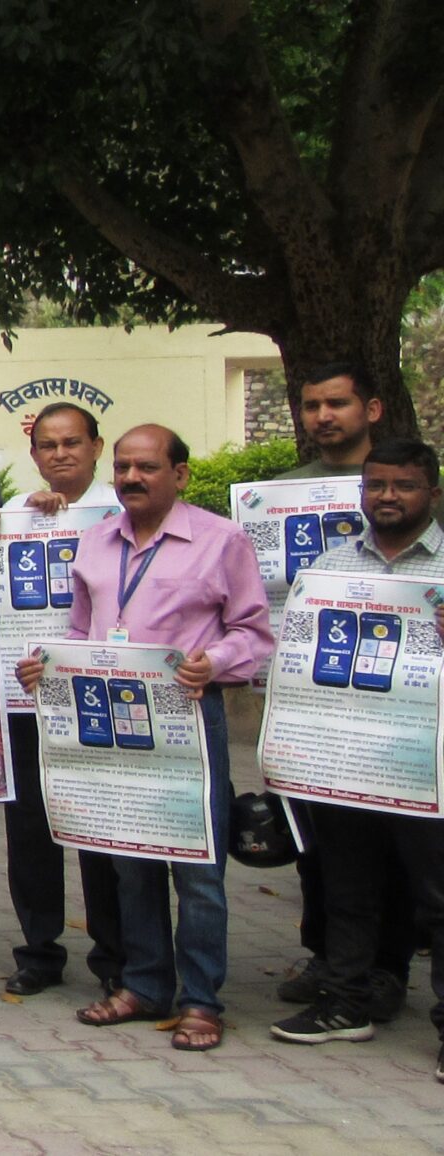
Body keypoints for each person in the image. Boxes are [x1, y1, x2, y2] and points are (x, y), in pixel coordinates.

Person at [17, 423, 273, 1053]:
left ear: (179, 475)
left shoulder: (221, 540)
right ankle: (145, 985)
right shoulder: (97, 540)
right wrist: (49, 666)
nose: (131, 478)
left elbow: (253, 632)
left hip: (188, 718)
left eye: (147, 467)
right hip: (109, 721)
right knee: (130, 861)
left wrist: (214, 662)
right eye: (124, 467)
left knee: (198, 870)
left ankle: (202, 1000)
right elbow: (82, 632)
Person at [266, 440, 444, 1070]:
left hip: (427, 765)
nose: (388, 497)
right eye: (377, 486)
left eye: (404, 486)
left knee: (438, 897)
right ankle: (345, 1004)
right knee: (347, 885)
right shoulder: (330, 565)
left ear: (432, 493)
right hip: (344, 758)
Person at [270, 362, 418, 1021]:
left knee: (399, 848)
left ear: (372, 409)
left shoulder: (411, 487)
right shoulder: (281, 493)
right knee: (322, 844)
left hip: (406, 712)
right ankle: (330, 960)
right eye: (312, 405)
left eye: (337, 403)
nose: (323, 416)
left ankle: (388, 969)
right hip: (320, 700)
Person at [0, 403, 126, 998]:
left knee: (98, 828)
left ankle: (114, 956)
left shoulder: (122, 512)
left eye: (72, 442)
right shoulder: (15, 515)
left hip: (98, 696)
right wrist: (0, 528)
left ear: (96, 447)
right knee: (29, 832)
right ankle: (39, 951)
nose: (60, 454)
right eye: (48, 445)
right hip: (25, 696)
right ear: (34, 454)